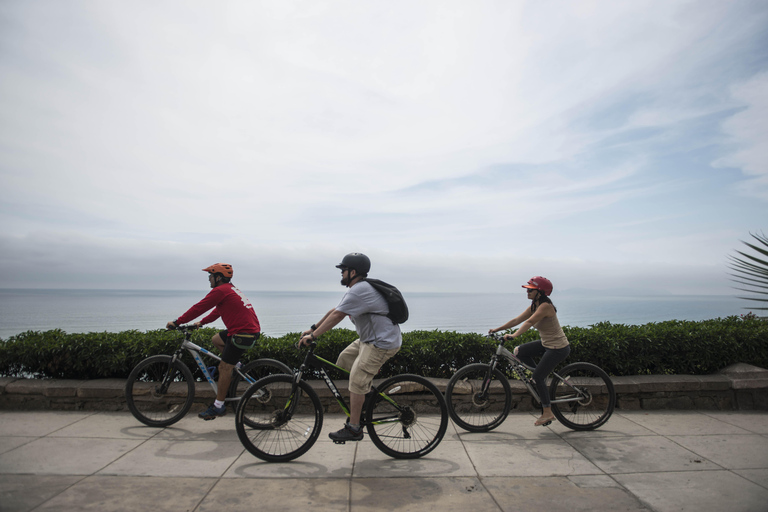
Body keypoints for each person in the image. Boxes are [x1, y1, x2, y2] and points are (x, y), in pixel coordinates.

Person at [298, 253, 401, 443]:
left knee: (356, 379)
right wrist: (312, 329)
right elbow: (335, 311)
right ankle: (368, 395)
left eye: (343, 270)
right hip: (368, 340)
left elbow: (337, 316)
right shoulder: (358, 289)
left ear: (353, 272)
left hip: (381, 343)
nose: (341, 274)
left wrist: (313, 336)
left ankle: (354, 429)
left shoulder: (360, 289)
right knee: (344, 360)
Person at [167, 263, 261, 420]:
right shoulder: (229, 290)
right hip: (243, 330)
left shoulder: (220, 290)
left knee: (224, 368)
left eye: (210, 276)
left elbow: (199, 307)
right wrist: (201, 323)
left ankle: (218, 406)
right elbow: (218, 310)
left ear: (218, 277)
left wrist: (177, 322)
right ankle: (236, 366)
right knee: (216, 340)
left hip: (243, 334)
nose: (209, 279)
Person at [489, 276, 570, 427]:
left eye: (531, 289)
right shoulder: (535, 305)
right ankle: (539, 378)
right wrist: (497, 329)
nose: (527, 291)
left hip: (557, 347)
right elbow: (517, 320)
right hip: (547, 343)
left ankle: (547, 412)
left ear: (540, 292)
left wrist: (513, 335)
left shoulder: (545, 306)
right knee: (519, 351)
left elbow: (529, 322)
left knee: (537, 377)